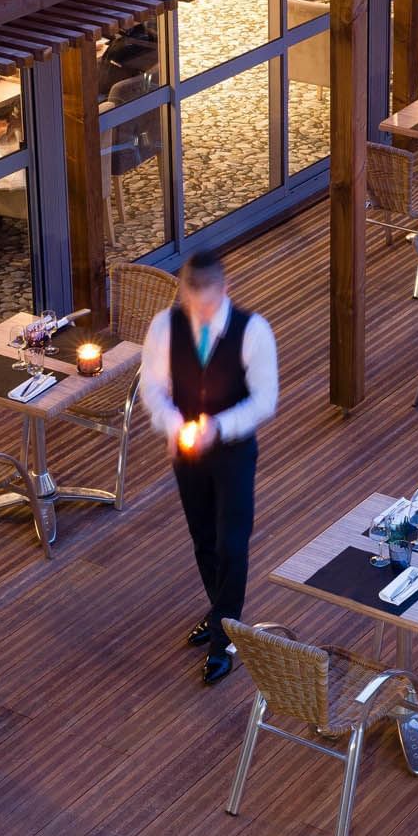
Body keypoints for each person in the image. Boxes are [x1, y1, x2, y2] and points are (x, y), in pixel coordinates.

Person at [138, 249, 279, 685]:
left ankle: (223, 641)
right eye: (192, 305)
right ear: (183, 293)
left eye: (208, 306)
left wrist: (217, 427)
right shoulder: (164, 326)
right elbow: (152, 388)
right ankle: (221, 613)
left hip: (234, 450)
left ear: (224, 289)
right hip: (186, 453)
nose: (199, 315)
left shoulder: (253, 331)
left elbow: (265, 400)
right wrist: (175, 425)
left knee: (232, 543)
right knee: (203, 538)